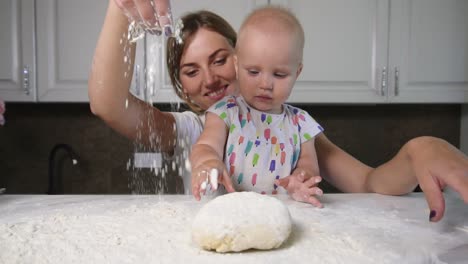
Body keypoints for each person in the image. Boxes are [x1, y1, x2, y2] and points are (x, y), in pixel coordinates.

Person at [89, 0, 468, 222]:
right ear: (180, 84)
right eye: (191, 71)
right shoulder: (193, 127)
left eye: (220, 60)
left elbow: (372, 185)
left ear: (242, 60)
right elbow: (108, 104)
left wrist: (416, 151)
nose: (209, 79)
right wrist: (120, 9)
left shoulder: (297, 128)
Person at [190, 7, 325, 207]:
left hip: (282, 213)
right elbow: (206, 146)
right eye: (253, 72)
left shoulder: (302, 124)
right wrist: (207, 162)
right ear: (237, 65)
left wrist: (301, 180)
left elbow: (308, 165)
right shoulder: (225, 112)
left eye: (279, 75)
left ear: (297, 72)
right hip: (230, 212)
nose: (265, 84)